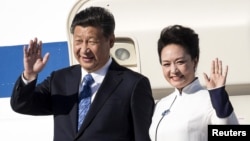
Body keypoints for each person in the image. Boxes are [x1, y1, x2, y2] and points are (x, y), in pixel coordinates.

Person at [10, 6, 155, 141]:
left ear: (110, 41)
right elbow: (21, 105)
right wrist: (29, 75)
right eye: (78, 41)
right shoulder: (60, 79)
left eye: (92, 42)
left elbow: (142, 136)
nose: (84, 49)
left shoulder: (133, 84)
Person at [149, 25, 239, 141]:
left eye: (180, 62)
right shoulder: (160, 104)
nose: (173, 70)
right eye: (166, 64)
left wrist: (219, 97)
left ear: (194, 62)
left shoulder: (211, 100)